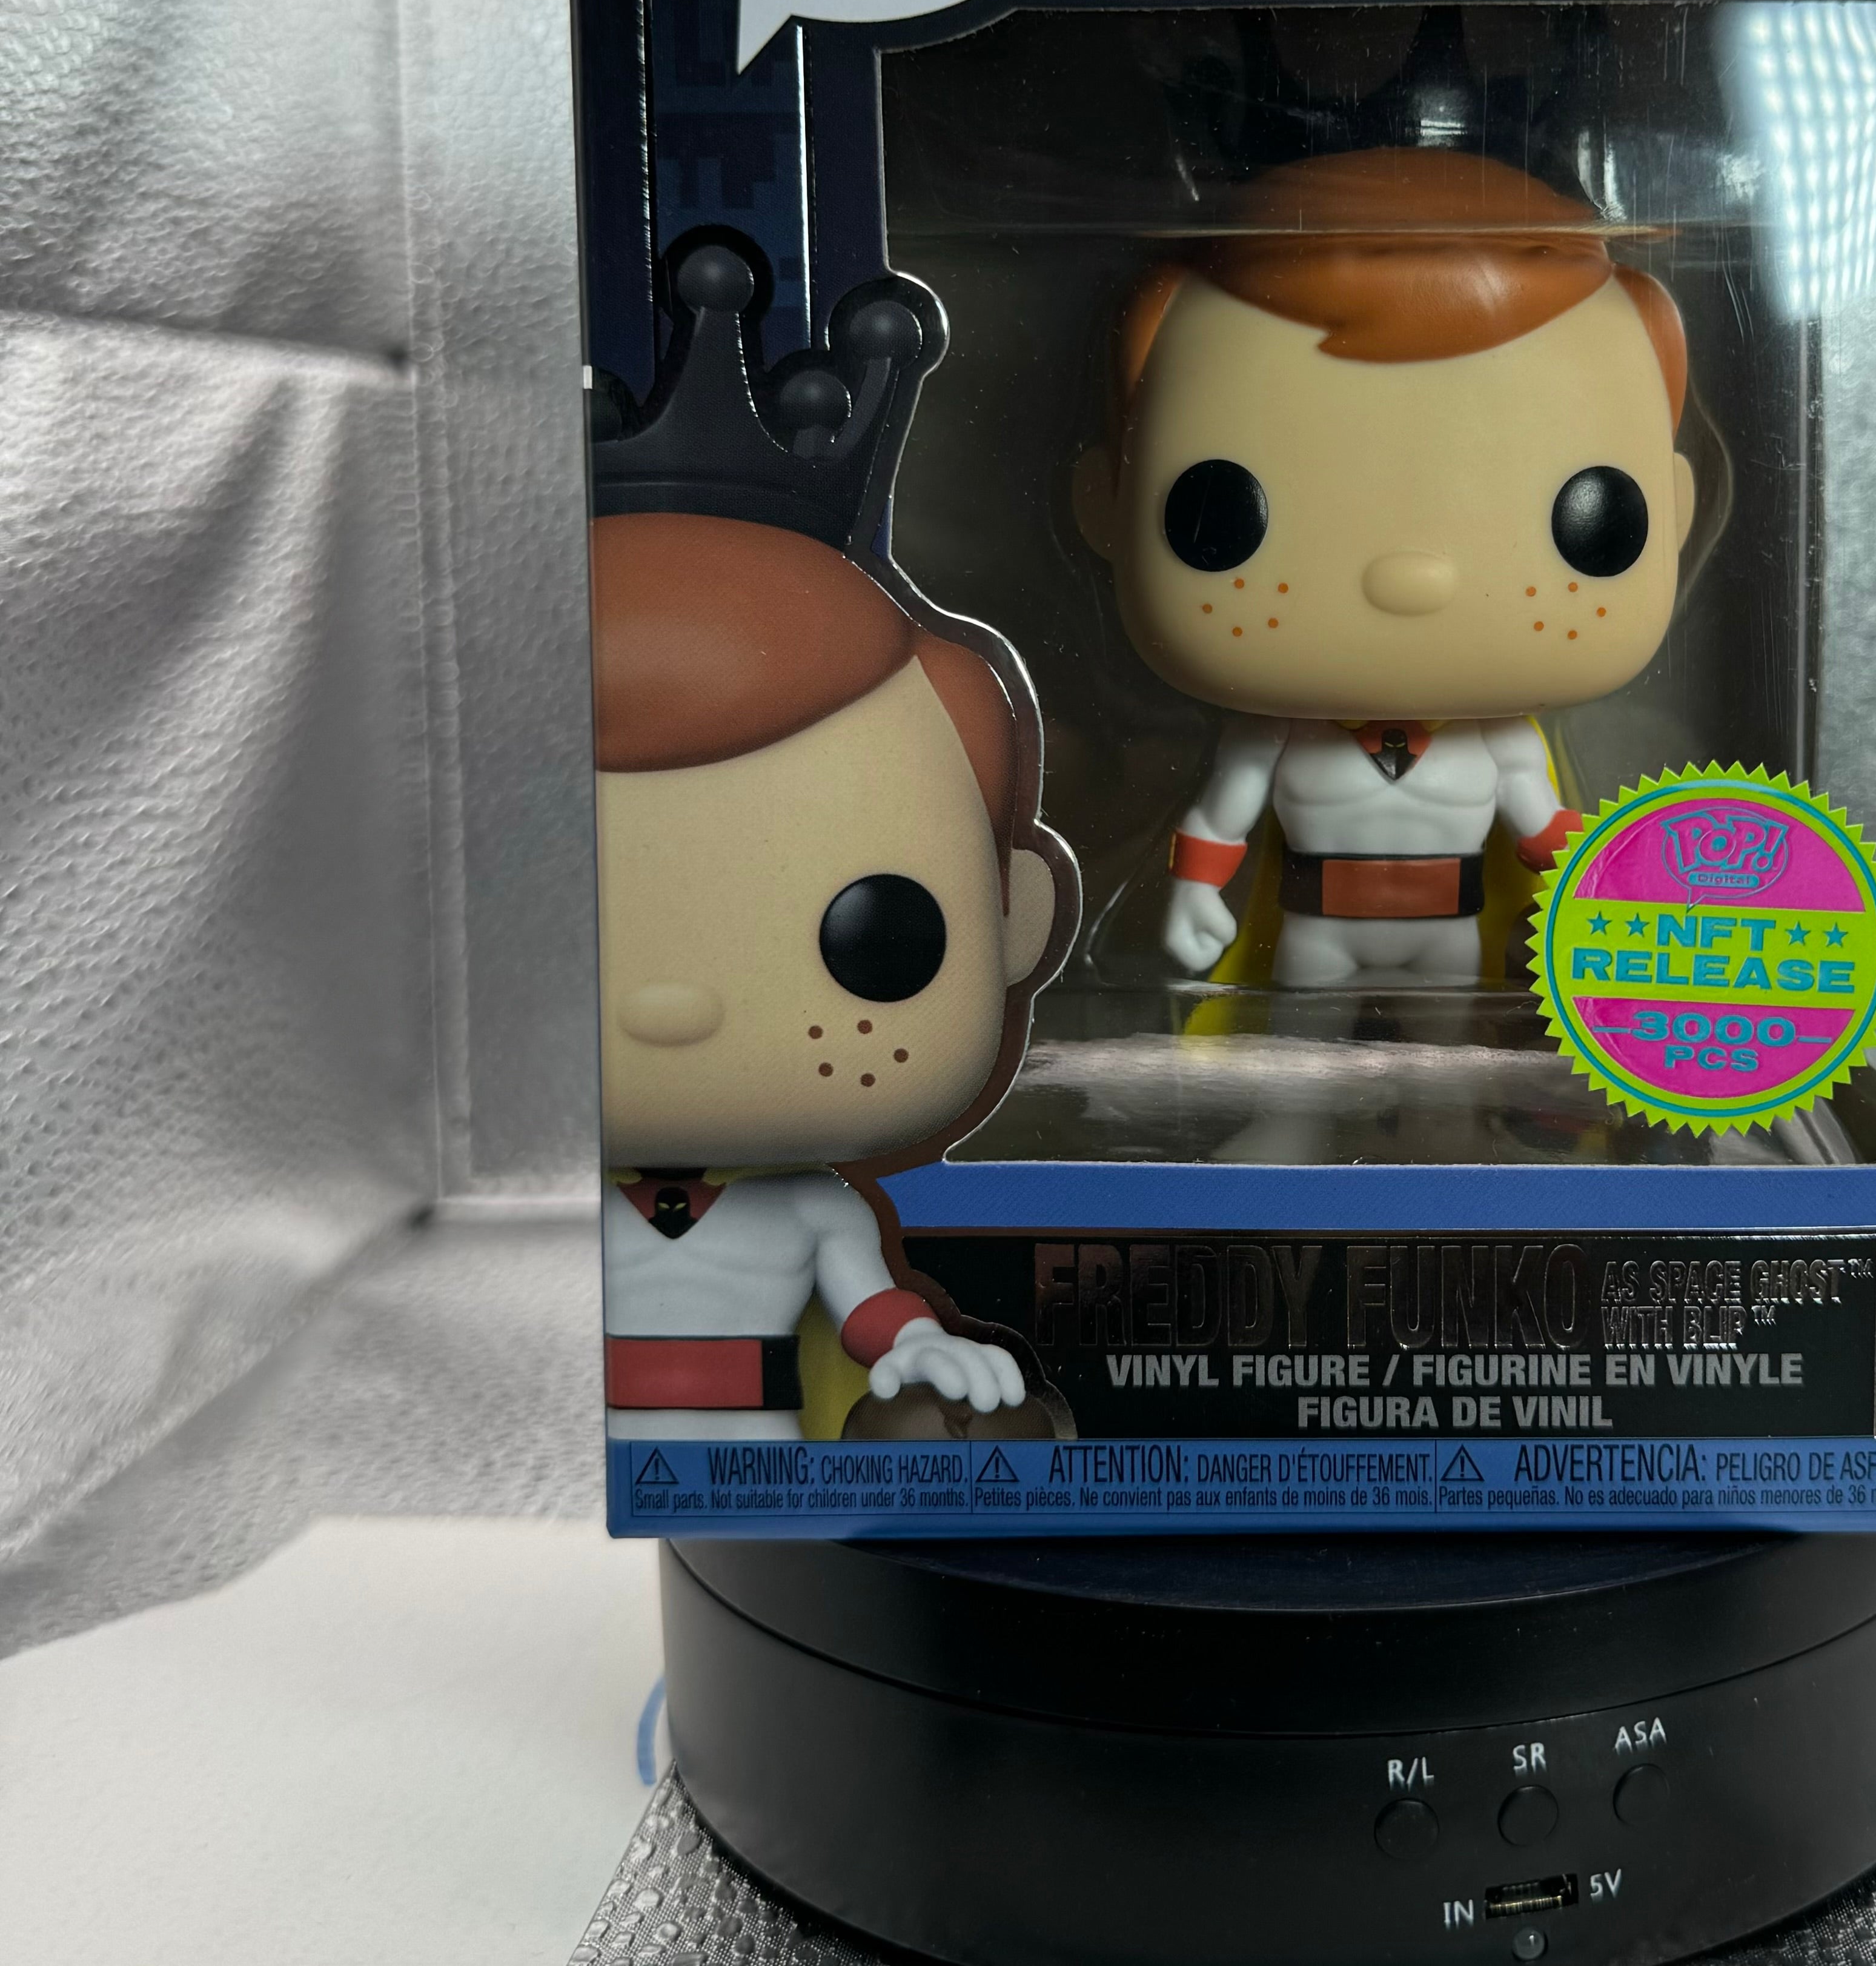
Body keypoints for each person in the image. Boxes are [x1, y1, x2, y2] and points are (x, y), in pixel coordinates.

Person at [1072, 147, 1693, 990]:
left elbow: (1547, 832)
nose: (1414, 580)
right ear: (1105, 505)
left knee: (1452, 1053)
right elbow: (1223, 814)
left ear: (1676, 510)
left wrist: (1603, 907)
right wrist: (1191, 891)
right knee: (1302, 1043)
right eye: (1222, 517)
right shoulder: (1273, 735)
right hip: (1315, 922)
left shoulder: (1505, 742)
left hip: (1453, 927)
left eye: (1592, 523)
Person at [593, 507, 1070, 1440]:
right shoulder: (537, 1212)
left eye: (873, 934)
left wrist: (922, 1348)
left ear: (1015, 916)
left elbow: (872, 1311)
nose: (671, 1009)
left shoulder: (816, 1207)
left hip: (762, 1451)